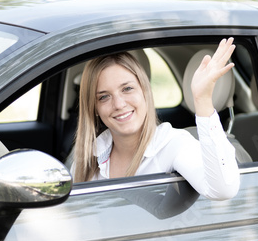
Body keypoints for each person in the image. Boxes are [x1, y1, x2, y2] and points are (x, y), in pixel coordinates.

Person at [72, 38, 240, 201]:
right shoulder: (88, 157)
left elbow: (223, 190)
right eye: (104, 97)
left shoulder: (173, 144)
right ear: (94, 107)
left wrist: (202, 100)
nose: (119, 104)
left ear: (145, 91)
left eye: (127, 89)